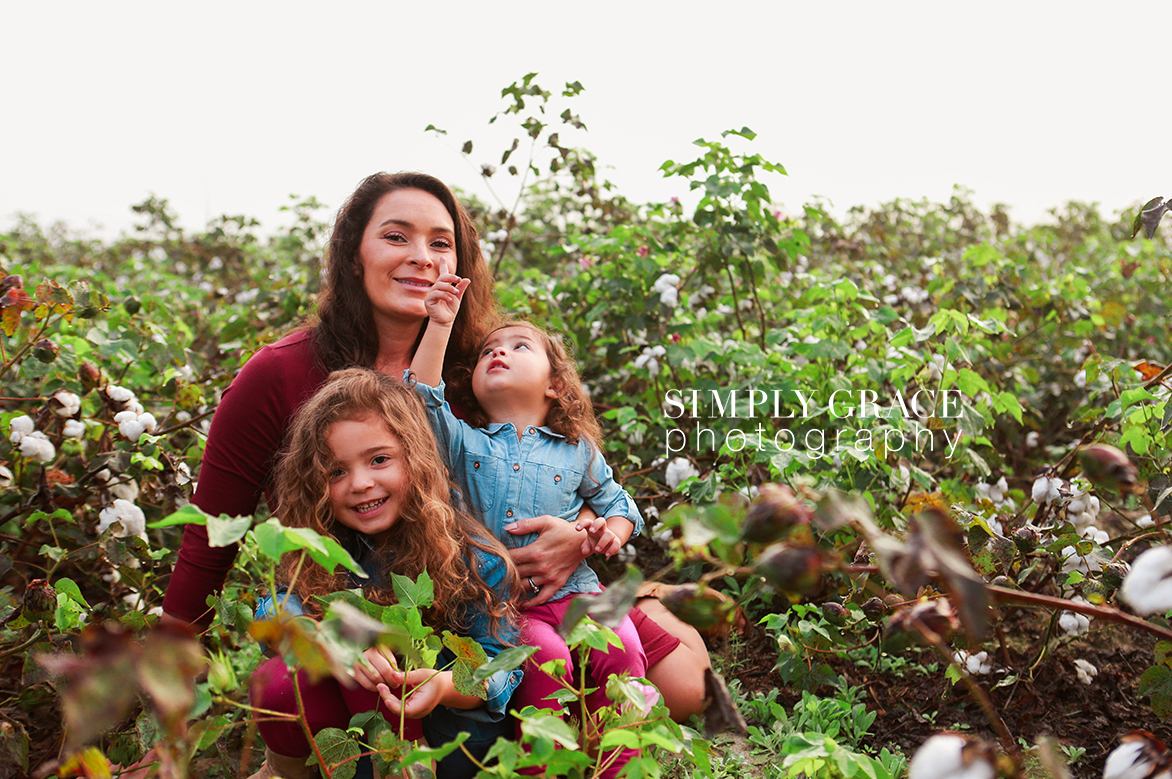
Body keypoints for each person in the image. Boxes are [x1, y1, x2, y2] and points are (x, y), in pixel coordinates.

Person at [157, 171, 705, 740]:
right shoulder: (281, 372)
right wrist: (168, 718)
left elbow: (559, 463)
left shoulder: (477, 366)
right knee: (326, 702)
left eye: (440, 243)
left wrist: (581, 532)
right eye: (396, 237)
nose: (421, 257)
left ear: (459, 265)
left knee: (685, 691)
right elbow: (208, 537)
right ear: (352, 255)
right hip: (372, 606)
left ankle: (651, 602)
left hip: (506, 599)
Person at [408, 290, 652, 776]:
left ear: (556, 384)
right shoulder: (463, 442)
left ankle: (620, 766)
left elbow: (620, 504)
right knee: (547, 657)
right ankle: (548, 766)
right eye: (487, 352)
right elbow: (421, 399)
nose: (498, 352)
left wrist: (611, 534)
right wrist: (439, 324)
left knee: (624, 648)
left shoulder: (578, 450)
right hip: (504, 605)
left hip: (578, 590)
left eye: (520, 347)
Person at [248, 369, 520, 779]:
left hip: (452, 748)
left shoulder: (474, 560)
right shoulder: (323, 547)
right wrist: (323, 634)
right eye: (335, 472)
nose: (360, 483)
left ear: (416, 459)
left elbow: (502, 669)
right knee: (278, 680)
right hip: (360, 746)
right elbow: (273, 607)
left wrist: (445, 688)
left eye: (379, 459)